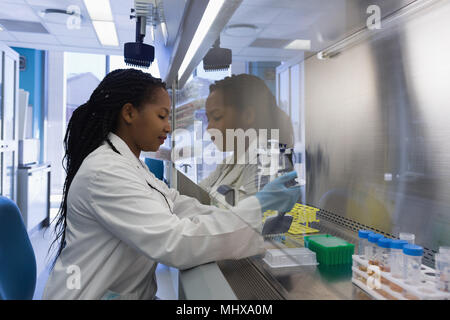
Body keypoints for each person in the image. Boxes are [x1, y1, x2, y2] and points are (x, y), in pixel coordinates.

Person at [43, 69, 301, 300]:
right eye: (162, 115)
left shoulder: (128, 164)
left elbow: (176, 203)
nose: (168, 127)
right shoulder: (106, 171)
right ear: (129, 113)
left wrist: (250, 212)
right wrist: (255, 209)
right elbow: (176, 242)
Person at [199, 74, 295, 207]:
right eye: (208, 119)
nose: (209, 128)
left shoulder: (269, 165)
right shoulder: (229, 163)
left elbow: (249, 223)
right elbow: (197, 194)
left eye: (216, 117)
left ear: (248, 115)